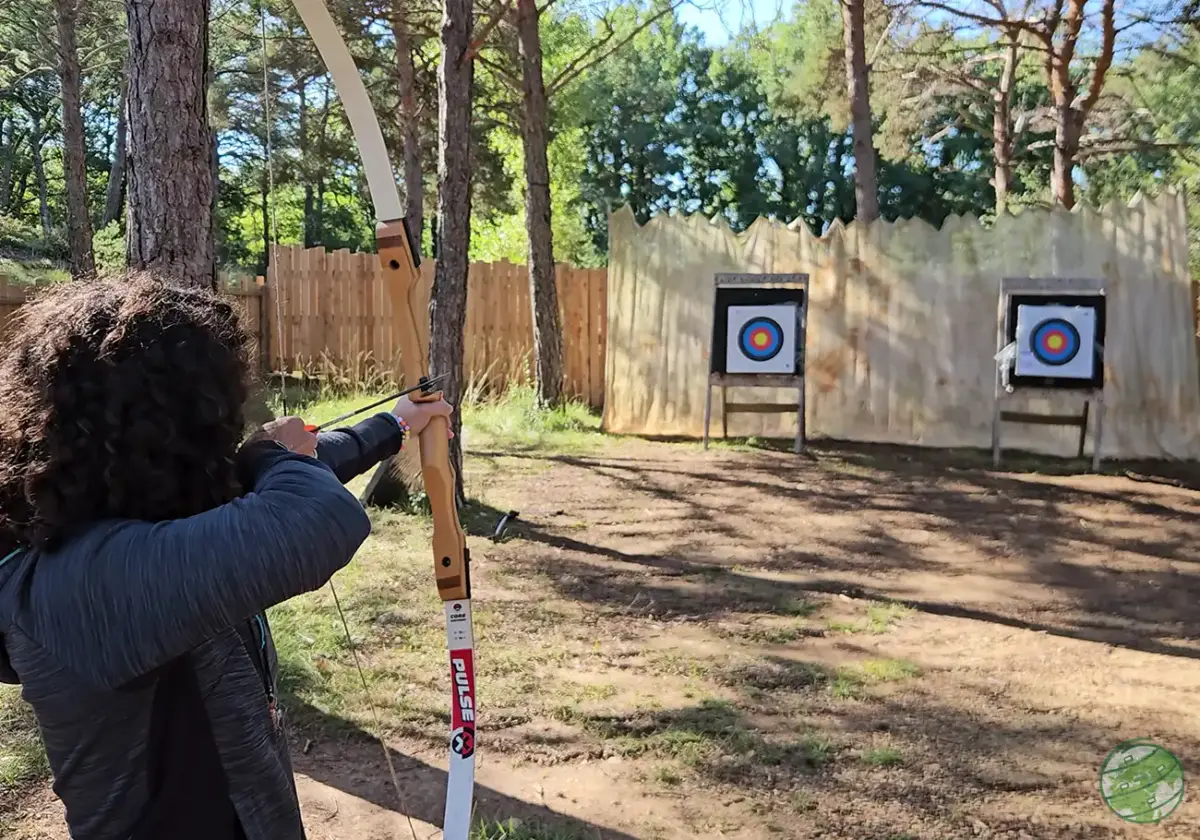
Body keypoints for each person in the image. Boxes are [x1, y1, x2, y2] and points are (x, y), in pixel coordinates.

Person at [0, 275, 452, 840]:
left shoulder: (137, 524)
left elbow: (283, 477)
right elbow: (311, 517)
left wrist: (395, 422)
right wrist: (270, 454)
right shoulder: (84, 584)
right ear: (171, 428)